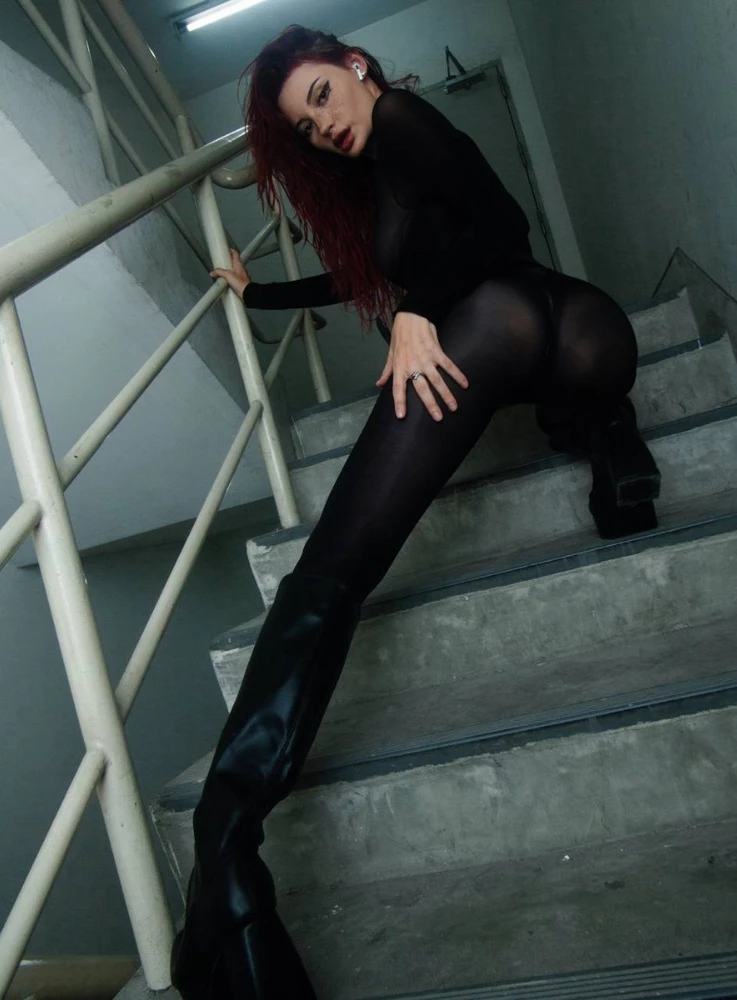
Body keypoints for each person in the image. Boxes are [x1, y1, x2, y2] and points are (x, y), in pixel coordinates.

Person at [171, 24, 661, 1000]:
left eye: (320, 96)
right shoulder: (379, 166)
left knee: (333, 566)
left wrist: (414, 312)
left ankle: (224, 855)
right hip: (574, 335)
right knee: (558, 399)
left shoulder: (398, 113)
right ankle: (608, 436)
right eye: (301, 127)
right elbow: (363, 277)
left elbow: (498, 222)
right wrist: (259, 293)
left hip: (511, 317)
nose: (321, 126)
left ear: (354, 67)